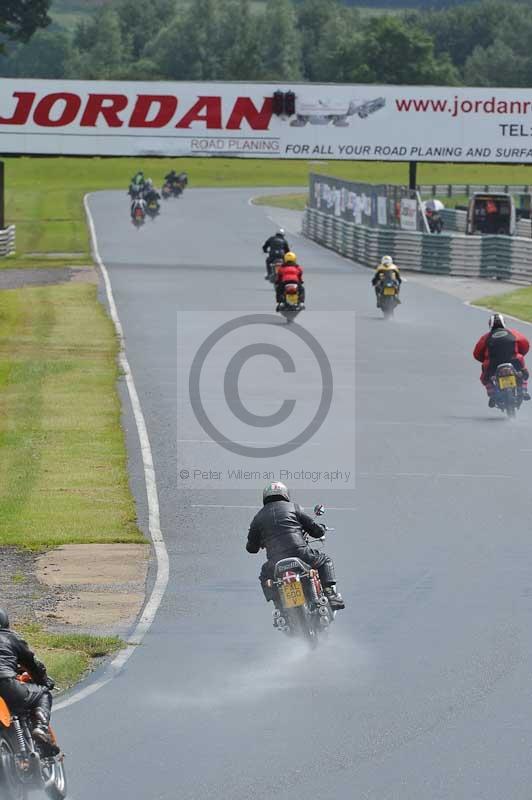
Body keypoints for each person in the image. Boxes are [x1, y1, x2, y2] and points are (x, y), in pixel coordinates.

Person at [246, 483, 345, 610]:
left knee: (265, 576)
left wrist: (259, 542)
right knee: (325, 560)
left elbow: (251, 549)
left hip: (275, 560)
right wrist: (321, 529)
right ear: (285, 494)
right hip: (300, 553)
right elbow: (316, 531)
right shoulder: (294, 508)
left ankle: (279, 606)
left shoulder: (257, 518)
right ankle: (330, 595)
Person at [0, 609, 58, 751]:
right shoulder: (10, 637)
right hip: (6, 683)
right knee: (43, 693)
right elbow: (32, 663)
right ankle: (40, 728)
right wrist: (43, 680)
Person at [473, 313, 530, 406]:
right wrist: (519, 353)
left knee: (485, 378)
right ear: (504, 323)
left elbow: (477, 354)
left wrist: (484, 360)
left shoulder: (485, 337)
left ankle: (492, 395)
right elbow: (525, 344)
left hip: (492, 363)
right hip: (514, 359)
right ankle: (523, 390)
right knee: (522, 371)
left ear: (490, 325)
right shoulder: (514, 333)